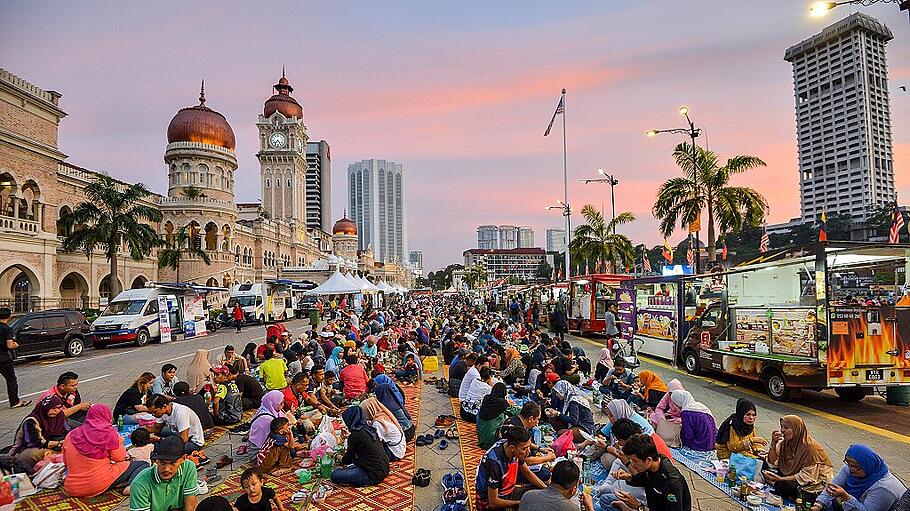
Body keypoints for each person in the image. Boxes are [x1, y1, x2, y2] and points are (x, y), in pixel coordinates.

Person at [62, 404, 149, 498]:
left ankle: (117, 483)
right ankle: (131, 486)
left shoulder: (71, 435)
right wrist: (120, 441)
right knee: (143, 464)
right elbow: (120, 458)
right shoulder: (109, 434)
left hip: (72, 488)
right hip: (97, 484)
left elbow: (66, 462)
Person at [812, 444, 906, 511]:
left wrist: (846, 497)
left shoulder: (884, 488)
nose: (852, 469)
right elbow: (832, 487)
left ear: (868, 465)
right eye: (849, 464)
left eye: (856, 467)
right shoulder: (849, 469)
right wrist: (819, 504)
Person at [611, 434, 692, 511]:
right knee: (607, 499)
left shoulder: (672, 483)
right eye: (630, 460)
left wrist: (639, 507)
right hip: (650, 506)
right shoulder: (654, 462)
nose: (632, 464)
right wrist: (628, 477)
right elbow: (644, 479)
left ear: (648, 460)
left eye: (635, 461)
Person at [475, 426, 548, 511]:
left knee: (542, 490)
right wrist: (519, 503)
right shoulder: (495, 463)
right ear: (512, 448)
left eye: (529, 446)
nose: (528, 451)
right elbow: (493, 503)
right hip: (490, 502)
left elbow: (527, 472)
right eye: (524, 448)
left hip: (508, 492)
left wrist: (547, 489)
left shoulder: (510, 446)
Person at [763, 415, 833, 500]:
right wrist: (773, 444)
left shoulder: (810, 448)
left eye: (786, 427)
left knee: (786, 486)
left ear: (797, 429)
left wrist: (780, 479)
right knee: (765, 466)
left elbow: (806, 477)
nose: (782, 430)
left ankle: (775, 484)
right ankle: (775, 484)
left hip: (812, 481)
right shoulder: (785, 443)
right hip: (791, 474)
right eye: (781, 427)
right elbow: (772, 462)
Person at [128, 436, 199, 511]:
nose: (166, 469)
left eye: (173, 463)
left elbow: (190, 504)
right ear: (156, 461)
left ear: (183, 459)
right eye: (162, 462)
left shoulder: (188, 467)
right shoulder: (140, 484)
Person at [331, 406, 390, 487]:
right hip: (384, 469)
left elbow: (347, 460)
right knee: (349, 468)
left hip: (372, 474)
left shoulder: (355, 435)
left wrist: (337, 456)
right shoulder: (369, 429)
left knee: (334, 475)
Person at [9, 394, 67, 473]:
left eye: (59, 408)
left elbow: (66, 431)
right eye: (53, 408)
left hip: (52, 445)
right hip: (27, 449)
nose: (56, 411)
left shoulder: (59, 416)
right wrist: (59, 443)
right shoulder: (32, 421)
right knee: (37, 454)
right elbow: (37, 442)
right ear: (46, 408)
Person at [147, 394, 207, 460]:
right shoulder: (163, 412)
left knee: (165, 449)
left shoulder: (181, 413)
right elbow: (156, 429)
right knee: (160, 435)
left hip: (193, 442)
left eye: (155, 412)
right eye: (151, 413)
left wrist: (160, 439)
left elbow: (184, 439)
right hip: (177, 434)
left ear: (164, 406)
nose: (153, 415)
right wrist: (143, 433)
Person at [519, 458, 594, 511]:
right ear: (573, 489)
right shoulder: (572, 508)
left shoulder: (528, 496)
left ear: (551, 479)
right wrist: (590, 508)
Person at [0, 307, 30, 408]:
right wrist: (16, 344)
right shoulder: (7, 329)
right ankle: (15, 402)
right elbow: (9, 345)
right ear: (9, 317)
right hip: (3, 358)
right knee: (11, 380)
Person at [361, 396, 406, 461]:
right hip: (400, 446)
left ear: (369, 410)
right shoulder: (382, 415)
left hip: (395, 452)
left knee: (366, 453)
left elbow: (375, 442)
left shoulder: (377, 423)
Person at [477, 382, 511, 449]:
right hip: (492, 441)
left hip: (481, 438)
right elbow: (514, 412)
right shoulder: (502, 403)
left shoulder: (486, 398)